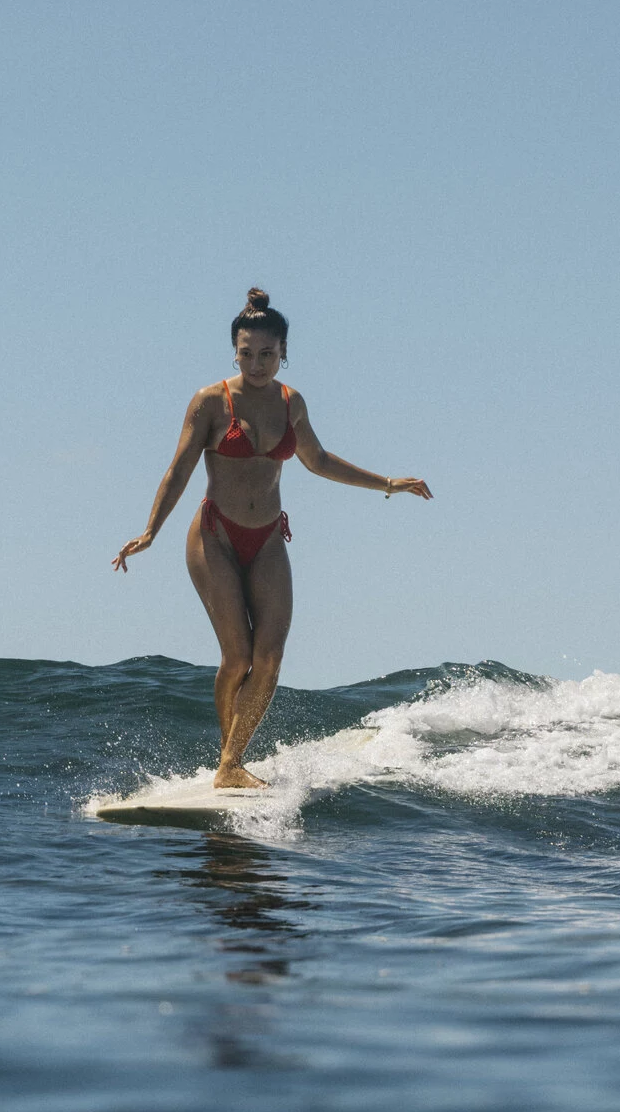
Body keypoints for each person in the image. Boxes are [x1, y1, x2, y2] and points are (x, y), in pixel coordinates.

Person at [113, 289, 432, 788]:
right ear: (234, 352)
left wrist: (388, 483)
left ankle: (229, 763)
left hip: (266, 540)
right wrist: (151, 530)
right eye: (247, 353)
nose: (257, 364)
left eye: (267, 354)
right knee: (237, 656)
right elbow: (179, 469)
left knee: (270, 658)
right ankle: (230, 765)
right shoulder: (211, 402)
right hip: (215, 535)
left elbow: (318, 461)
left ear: (284, 351)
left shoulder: (291, 402)